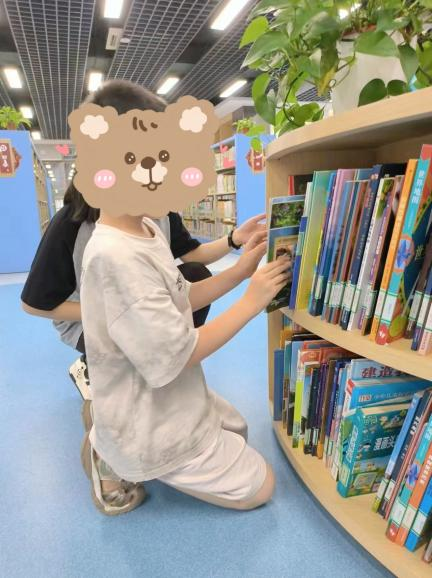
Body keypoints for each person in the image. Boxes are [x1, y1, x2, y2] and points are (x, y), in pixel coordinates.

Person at [64, 80, 290, 516]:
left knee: (238, 432)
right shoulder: (114, 256)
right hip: (145, 415)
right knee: (259, 487)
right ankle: (110, 453)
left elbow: (181, 296)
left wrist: (240, 271)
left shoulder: (146, 228)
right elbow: (176, 355)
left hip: (171, 394)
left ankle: (116, 436)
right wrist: (251, 302)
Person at [21, 81, 266, 401]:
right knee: (137, 357)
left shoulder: (154, 214)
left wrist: (235, 245)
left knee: (192, 275)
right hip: (93, 320)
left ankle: (159, 358)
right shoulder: (76, 226)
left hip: (144, 305)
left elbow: (190, 263)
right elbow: (34, 302)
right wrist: (105, 312)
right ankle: (93, 366)